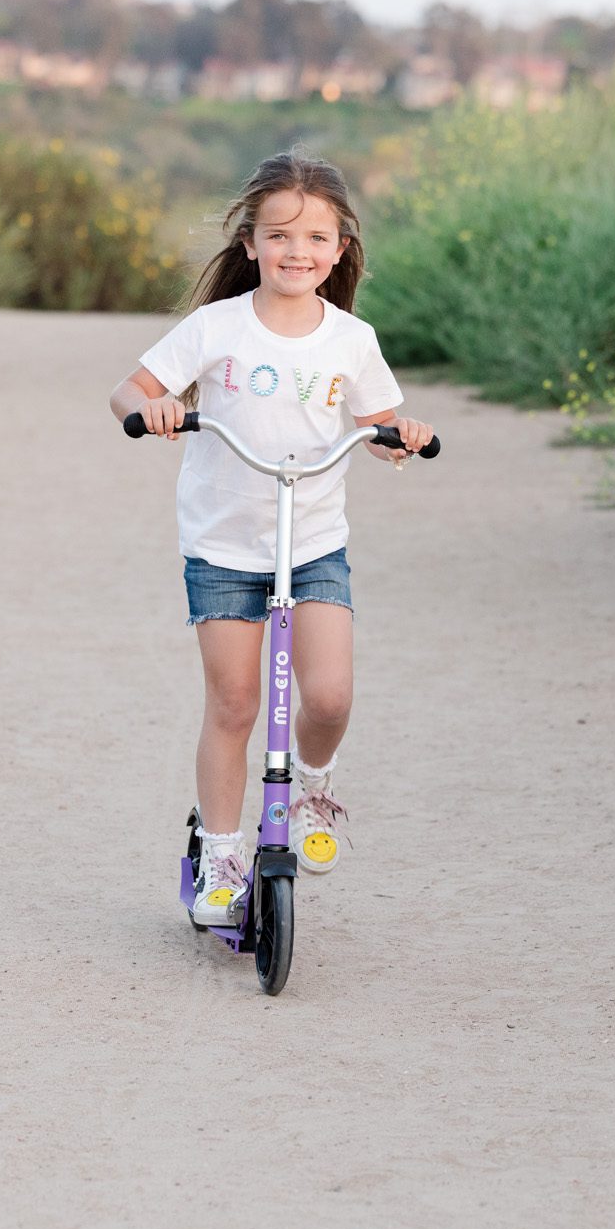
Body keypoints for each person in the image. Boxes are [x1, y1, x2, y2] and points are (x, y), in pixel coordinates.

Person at [106, 151, 434, 925]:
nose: (298, 250)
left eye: (317, 236)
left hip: (312, 541)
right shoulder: (215, 327)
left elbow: (379, 427)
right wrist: (148, 410)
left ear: (341, 248)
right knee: (235, 701)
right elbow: (132, 387)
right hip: (224, 547)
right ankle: (221, 850)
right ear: (249, 242)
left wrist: (401, 436)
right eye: (280, 234)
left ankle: (314, 786)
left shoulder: (352, 339)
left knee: (328, 694)